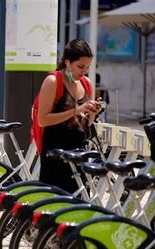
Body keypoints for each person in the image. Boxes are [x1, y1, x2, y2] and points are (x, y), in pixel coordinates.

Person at [37, 39, 102, 193]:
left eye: (87, 67)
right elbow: (42, 119)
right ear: (67, 62)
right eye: (80, 66)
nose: (84, 71)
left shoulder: (87, 83)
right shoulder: (53, 81)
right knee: (53, 204)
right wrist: (77, 110)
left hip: (78, 153)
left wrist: (92, 112)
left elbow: (86, 123)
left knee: (78, 204)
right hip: (55, 154)